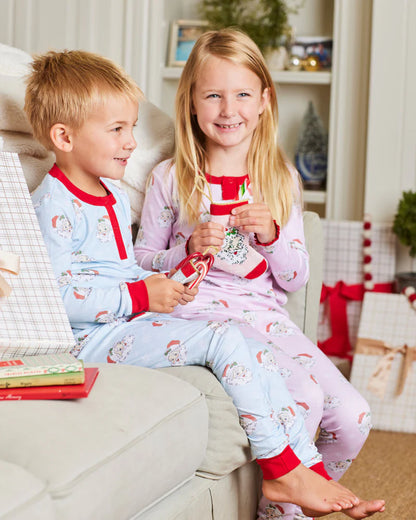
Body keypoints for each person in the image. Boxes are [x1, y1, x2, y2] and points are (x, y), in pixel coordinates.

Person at [134, 29, 385, 520]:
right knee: (304, 398)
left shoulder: (280, 177)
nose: (229, 109)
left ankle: (294, 503)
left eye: (243, 94)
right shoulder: (171, 177)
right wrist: (185, 249)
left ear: (265, 101)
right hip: (202, 315)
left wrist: (272, 236)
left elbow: (294, 279)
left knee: (354, 417)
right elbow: (141, 263)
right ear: (190, 102)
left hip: (266, 318)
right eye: (213, 95)